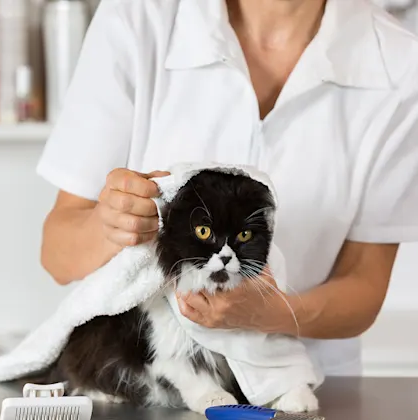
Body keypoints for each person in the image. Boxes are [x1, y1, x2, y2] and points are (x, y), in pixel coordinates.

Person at [36, 0, 418, 377]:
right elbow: (58, 255)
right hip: (147, 373)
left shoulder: (400, 62)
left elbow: (364, 285)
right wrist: (112, 227)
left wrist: (273, 313)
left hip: (302, 387)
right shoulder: (139, 18)